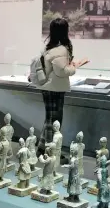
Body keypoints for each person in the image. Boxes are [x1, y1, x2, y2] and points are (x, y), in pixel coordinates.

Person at [36, 18, 86, 156]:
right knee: (55, 120)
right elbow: (61, 72)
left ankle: (42, 148)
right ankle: (50, 151)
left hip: (47, 86)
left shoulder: (49, 47)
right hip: (55, 88)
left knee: (50, 119)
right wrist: (74, 67)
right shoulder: (61, 49)